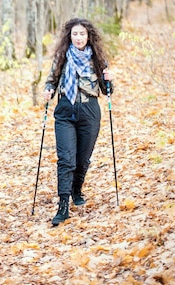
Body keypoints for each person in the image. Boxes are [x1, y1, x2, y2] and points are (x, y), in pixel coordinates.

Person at [43, 18, 113, 226]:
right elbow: (51, 80)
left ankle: (76, 189)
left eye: (82, 34)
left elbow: (106, 90)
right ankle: (63, 205)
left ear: (88, 36)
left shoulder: (98, 59)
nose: (79, 38)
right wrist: (48, 90)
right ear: (69, 36)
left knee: (82, 160)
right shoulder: (62, 57)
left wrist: (109, 79)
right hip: (65, 109)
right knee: (66, 160)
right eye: (75, 34)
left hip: (90, 110)